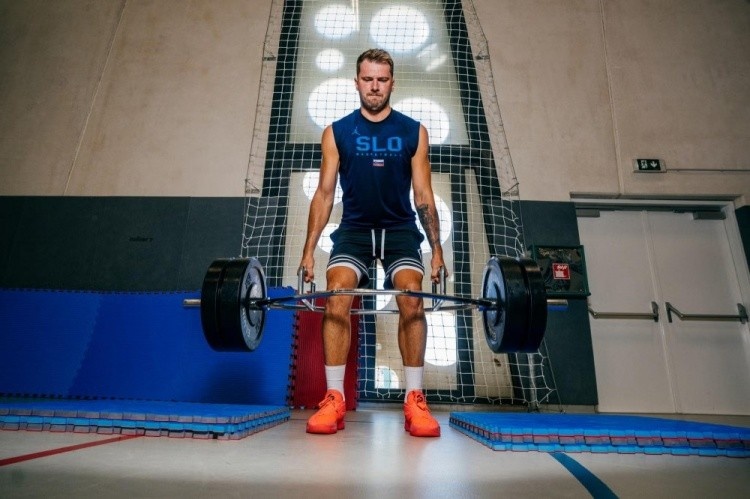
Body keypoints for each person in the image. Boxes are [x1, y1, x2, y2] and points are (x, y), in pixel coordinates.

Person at [299, 48, 446, 438]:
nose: (375, 86)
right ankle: (334, 398)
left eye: (382, 79)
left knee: (412, 296)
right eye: (368, 79)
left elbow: (424, 194)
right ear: (357, 82)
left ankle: (414, 399)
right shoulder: (337, 132)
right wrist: (308, 251)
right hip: (355, 230)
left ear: (392, 83)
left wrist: (437, 251)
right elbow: (324, 194)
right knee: (337, 294)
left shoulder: (414, 131)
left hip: (399, 229)